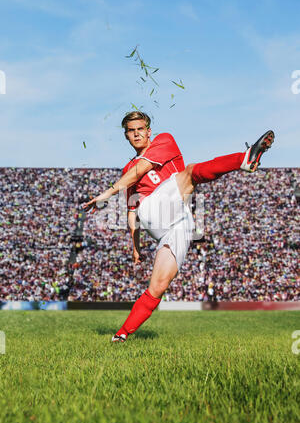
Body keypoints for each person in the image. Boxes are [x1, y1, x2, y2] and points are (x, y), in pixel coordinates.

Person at [83, 111, 274, 342]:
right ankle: (244, 159)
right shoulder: (128, 171)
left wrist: (108, 195)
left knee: (158, 286)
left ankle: (121, 335)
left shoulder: (164, 140)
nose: (136, 134)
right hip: (152, 212)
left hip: (179, 223)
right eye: (131, 131)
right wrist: (135, 246)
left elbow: (141, 169)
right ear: (126, 136)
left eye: (140, 129)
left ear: (148, 131)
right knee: (191, 173)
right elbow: (132, 213)